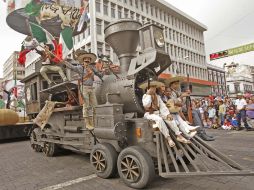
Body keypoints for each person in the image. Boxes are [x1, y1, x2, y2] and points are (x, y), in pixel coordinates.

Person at [140, 80, 190, 147]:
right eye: (152, 87)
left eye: (155, 87)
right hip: (149, 114)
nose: (154, 89)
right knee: (159, 119)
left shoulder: (157, 96)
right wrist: (149, 94)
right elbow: (147, 105)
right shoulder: (145, 96)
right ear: (148, 88)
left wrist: (167, 114)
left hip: (158, 113)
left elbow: (163, 106)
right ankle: (168, 138)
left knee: (170, 119)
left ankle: (179, 135)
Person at [64, 50, 103, 129]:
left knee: (95, 106)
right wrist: (64, 62)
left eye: (88, 60)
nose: (87, 62)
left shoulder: (92, 68)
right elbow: (72, 67)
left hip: (91, 88)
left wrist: (102, 72)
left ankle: (93, 123)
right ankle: (87, 124)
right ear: (83, 61)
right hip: (84, 88)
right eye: (86, 60)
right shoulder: (80, 68)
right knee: (86, 106)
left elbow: (99, 74)